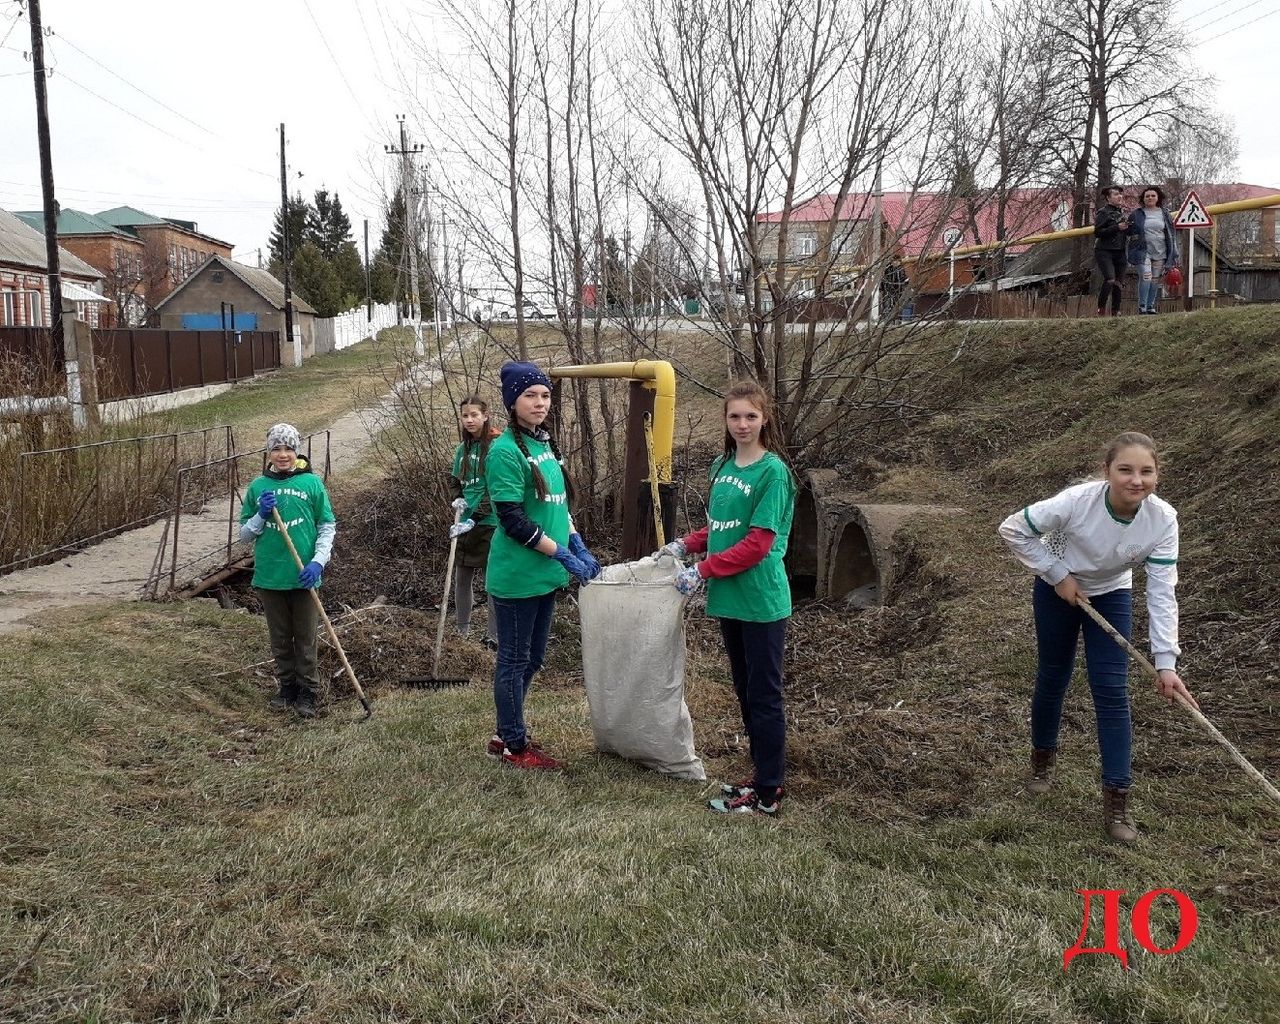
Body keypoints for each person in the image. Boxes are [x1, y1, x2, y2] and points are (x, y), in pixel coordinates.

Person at [997, 431, 1198, 843]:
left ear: (1158, 474)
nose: (1135, 480)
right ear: (1107, 472)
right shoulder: (1076, 502)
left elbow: (1162, 593)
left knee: (1111, 690)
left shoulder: (1163, 520)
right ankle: (1041, 763)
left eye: (1146, 471)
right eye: (1125, 470)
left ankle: (1118, 803)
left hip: (1111, 592)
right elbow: (1014, 529)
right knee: (1054, 674)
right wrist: (1057, 575)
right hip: (1059, 587)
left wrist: (1166, 663)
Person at [658, 380, 796, 816]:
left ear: (764, 419)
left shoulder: (772, 472)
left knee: (764, 695)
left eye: (750, 416)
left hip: (760, 600)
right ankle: (760, 776)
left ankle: (769, 791)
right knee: (744, 689)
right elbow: (721, 529)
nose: (742, 424)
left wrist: (702, 570)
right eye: (734, 416)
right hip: (729, 599)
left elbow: (756, 544)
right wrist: (687, 544)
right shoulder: (722, 465)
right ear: (725, 419)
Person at [483, 361, 602, 770]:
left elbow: (558, 507)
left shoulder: (544, 444)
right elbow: (513, 521)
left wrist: (577, 544)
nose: (539, 402)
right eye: (530, 395)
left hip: (546, 576)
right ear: (512, 401)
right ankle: (513, 745)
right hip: (518, 576)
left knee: (532, 660)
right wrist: (562, 554)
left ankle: (506, 730)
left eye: (545, 395)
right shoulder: (504, 451)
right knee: (513, 662)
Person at [239, 423, 337, 719]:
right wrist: (260, 514)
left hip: (303, 575)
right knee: (280, 638)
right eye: (277, 448)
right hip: (270, 576)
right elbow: (244, 536)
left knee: (305, 637)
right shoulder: (258, 488)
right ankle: (287, 687)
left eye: (289, 448)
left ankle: (309, 690)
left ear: (297, 451)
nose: (283, 454)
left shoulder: (311, 484)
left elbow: (327, 526)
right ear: (268, 453)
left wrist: (318, 560)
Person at [447, 395, 500, 646]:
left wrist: (476, 518)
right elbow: (455, 480)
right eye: (465, 415)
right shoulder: (463, 450)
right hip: (465, 522)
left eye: (474, 415)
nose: (469, 420)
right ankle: (462, 633)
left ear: (485, 415)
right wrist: (458, 499)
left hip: (490, 523)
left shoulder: (496, 446)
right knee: (461, 576)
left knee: (492, 581)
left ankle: (494, 636)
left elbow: (497, 489)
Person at [1127, 186, 1180, 315]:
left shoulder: (1165, 213)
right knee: (1146, 276)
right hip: (1142, 250)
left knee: (1155, 279)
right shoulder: (1136, 214)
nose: (1150, 198)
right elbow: (1128, 231)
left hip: (1160, 250)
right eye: (1147, 196)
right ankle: (1142, 306)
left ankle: (1151, 306)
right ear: (1143, 199)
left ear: (1158, 198)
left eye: (1153, 196)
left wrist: (1174, 252)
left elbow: (1171, 233)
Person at [1094, 185, 1130, 317]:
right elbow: (1097, 232)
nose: (1119, 196)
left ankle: (1116, 311)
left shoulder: (1122, 212)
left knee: (1118, 282)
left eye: (1120, 194)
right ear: (1108, 198)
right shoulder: (1103, 212)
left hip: (1120, 250)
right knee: (1110, 279)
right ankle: (1101, 309)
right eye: (1115, 194)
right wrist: (1116, 227)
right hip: (1105, 250)